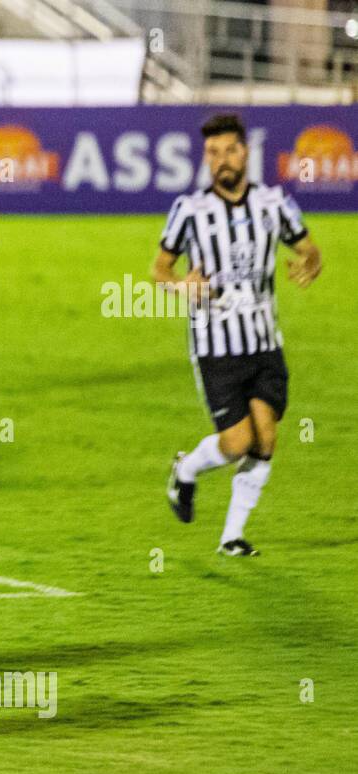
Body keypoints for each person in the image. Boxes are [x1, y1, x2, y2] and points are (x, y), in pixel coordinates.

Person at [154, 114, 322, 556]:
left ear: (245, 152)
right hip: (216, 348)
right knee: (237, 442)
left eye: (229, 150)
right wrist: (179, 285)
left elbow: (307, 246)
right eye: (212, 153)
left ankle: (232, 536)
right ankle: (186, 471)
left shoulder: (274, 203)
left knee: (266, 437)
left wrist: (310, 261)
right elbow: (159, 269)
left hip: (265, 344)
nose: (221, 160)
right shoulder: (188, 211)